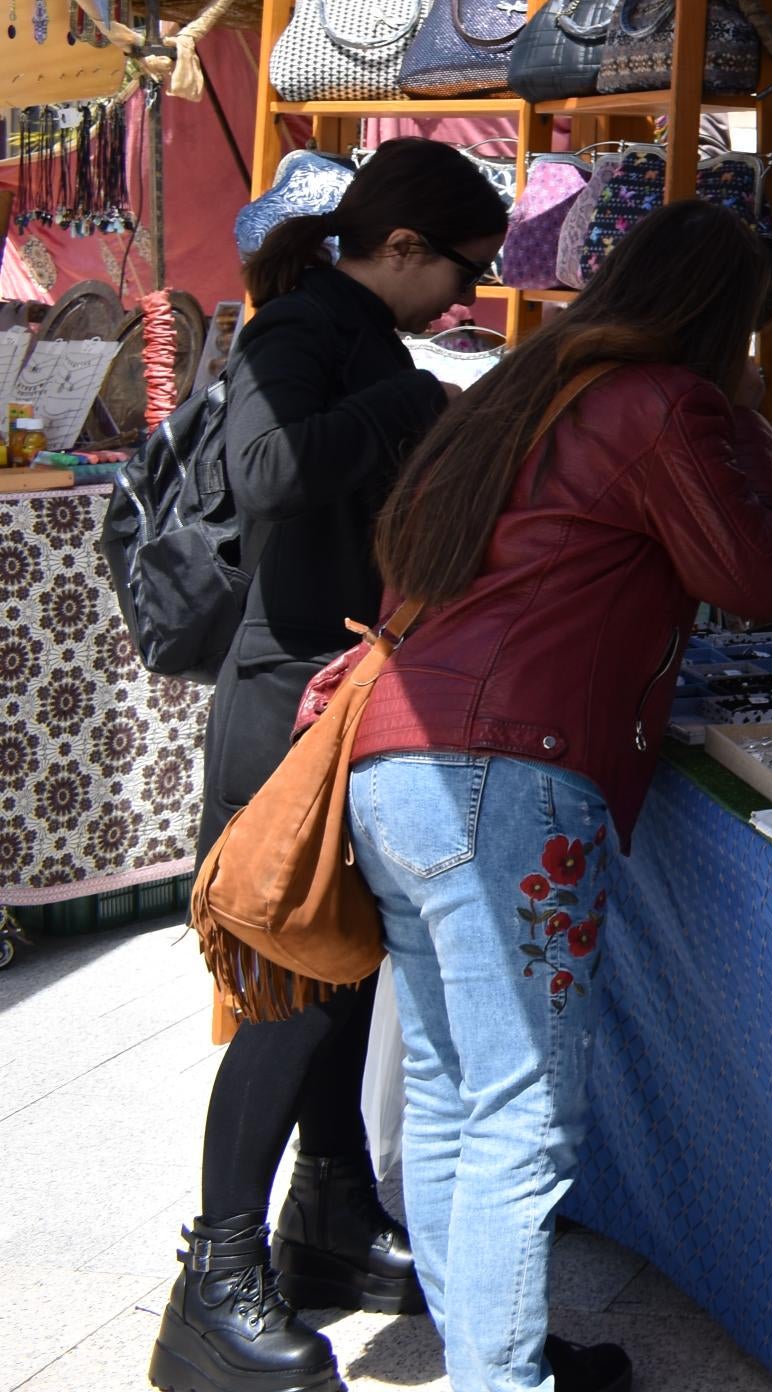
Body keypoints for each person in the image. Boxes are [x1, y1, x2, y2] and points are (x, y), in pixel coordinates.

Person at [336, 199, 772, 1392]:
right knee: (519, 1117)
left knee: (451, 1091)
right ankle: (504, 1376)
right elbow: (758, 576)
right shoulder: (662, 401)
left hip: (402, 764)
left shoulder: (524, 383)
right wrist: (749, 424)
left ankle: (491, 1356)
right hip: (509, 778)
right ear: (719, 316)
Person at [156, 139, 507, 1392]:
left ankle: (328, 1217)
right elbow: (264, 479)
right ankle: (214, 1278)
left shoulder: (360, 337)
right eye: (460, 271)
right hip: (278, 705)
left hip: (341, 691)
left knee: (343, 982)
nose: (465, 299)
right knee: (289, 995)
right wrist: (409, 404)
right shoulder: (298, 327)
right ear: (402, 247)